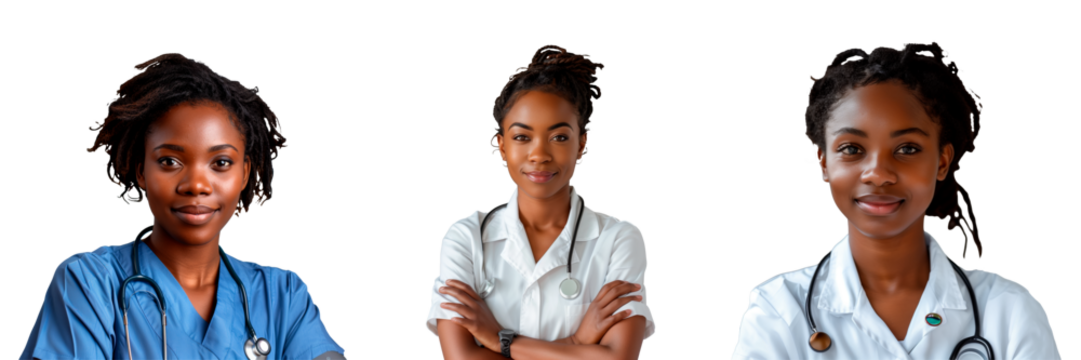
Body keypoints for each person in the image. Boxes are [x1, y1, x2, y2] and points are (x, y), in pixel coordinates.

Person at [731, 41, 1062, 359]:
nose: (878, 174)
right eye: (852, 149)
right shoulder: (778, 310)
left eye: (907, 149)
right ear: (824, 163)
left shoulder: (1008, 311)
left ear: (942, 161)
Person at [17, 52, 347, 359]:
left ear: (245, 173)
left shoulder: (283, 297)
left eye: (220, 163)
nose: (196, 185)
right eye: (170, 161)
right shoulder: (88, 285)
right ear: (141, 170)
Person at [423, 44, 656, 359]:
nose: (540, 155)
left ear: (581, 145)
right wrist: (576, 345)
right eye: (522, 137)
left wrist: (501, 341)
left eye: (559, 137)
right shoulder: (465, 238)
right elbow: (461, 358)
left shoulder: (619, 239)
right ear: (502, 146)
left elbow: (618, 358)